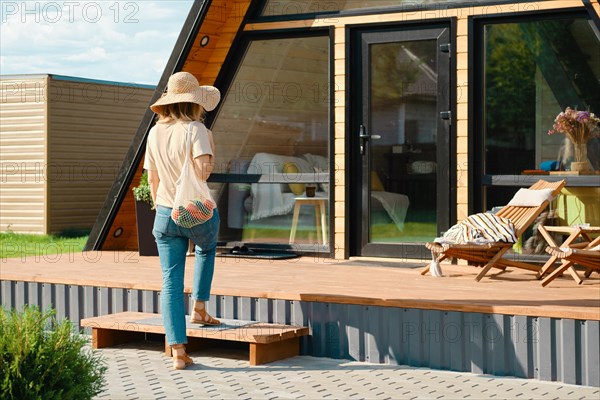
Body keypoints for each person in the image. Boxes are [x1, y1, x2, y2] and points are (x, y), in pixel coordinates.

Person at [143, 72, 221, 370]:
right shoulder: (196, 130)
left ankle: (178, 351)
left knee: (170, 282)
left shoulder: (154, 133)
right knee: (206, 247)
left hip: (164, 212)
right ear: (194, 103)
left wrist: (162, 207)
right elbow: (203, 171)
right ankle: (200, 307)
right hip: (193, 209)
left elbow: (152, 178)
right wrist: (210, 147)